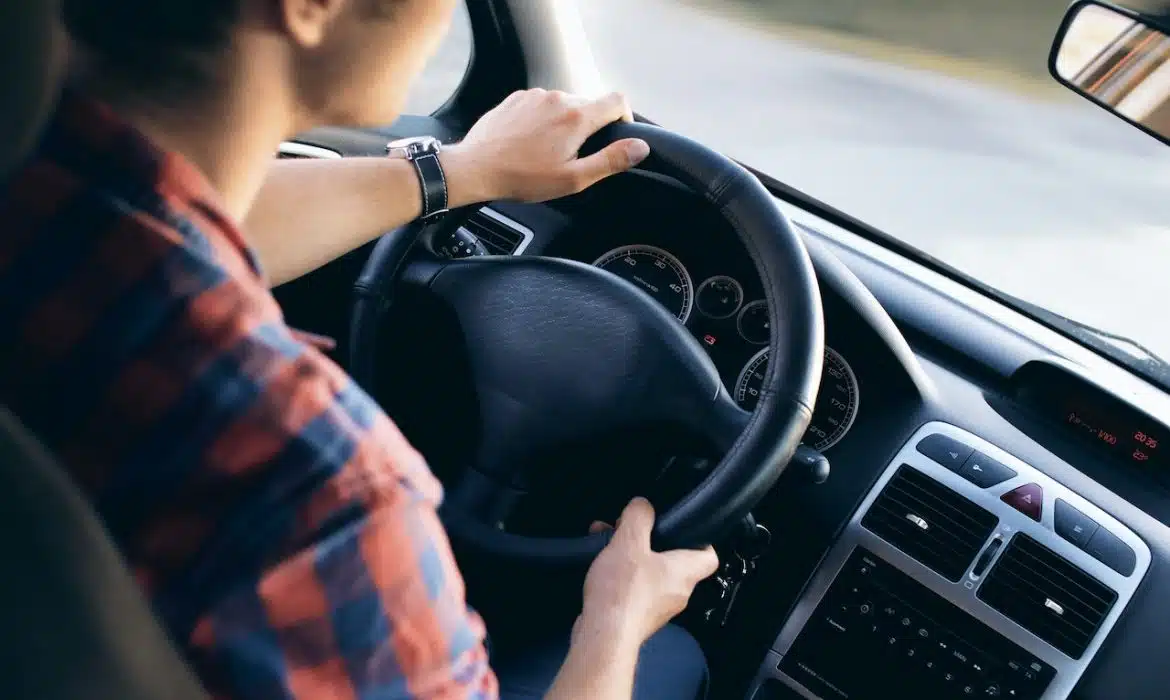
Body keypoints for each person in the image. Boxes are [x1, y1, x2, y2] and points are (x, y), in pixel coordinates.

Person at [0, 0, 721, 699]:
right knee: (670, 656)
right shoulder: (316, 490)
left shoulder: (39, 187)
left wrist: (461, 171)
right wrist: (616, 621)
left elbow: (184, 223)